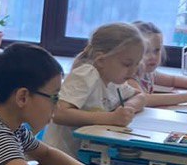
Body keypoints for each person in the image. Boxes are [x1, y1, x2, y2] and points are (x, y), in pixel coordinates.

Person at [44, 22, 147, 157]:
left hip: (85, 156)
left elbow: (140, 96)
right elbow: (59, 114)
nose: (133, 71)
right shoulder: (86, 74)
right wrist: (110, 118)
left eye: (137, 64)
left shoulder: (114, 81)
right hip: (59, 157)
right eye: (127, 64)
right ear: (101, 60)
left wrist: (128, 108)